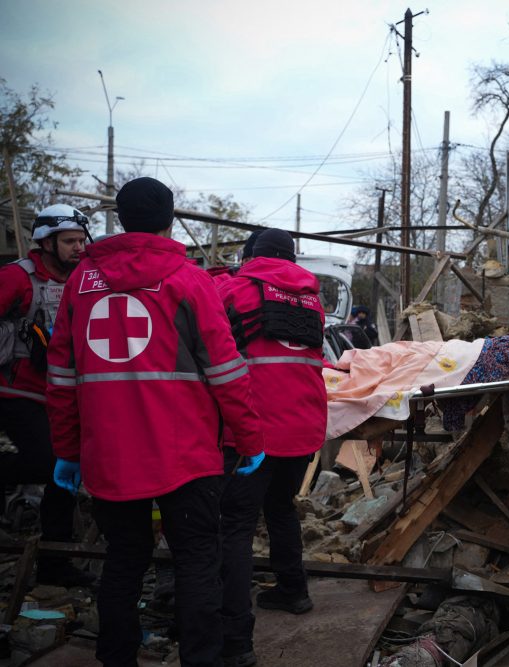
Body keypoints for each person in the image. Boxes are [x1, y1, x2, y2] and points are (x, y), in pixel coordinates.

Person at [46, 177, 266, 666]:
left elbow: (60, 376)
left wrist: (67, 450)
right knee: (196, 562)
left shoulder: (80, 283)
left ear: (120, 220)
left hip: (109, 455)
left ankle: (116, 658)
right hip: (186, 455)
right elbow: (227, 372)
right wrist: (250, 440)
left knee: (124, 559)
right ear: (170, 221)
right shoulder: (189, 280)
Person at [216, 228, 327, 666]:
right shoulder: (312, 298)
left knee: (235, 526)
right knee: (281, 508)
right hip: (304, 427)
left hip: (253, 431)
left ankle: (236, 641)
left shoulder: (234, 289)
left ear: (250, 255)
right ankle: (293, 590)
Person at [0, 205, 94, 586]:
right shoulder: (17, 278)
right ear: (46, 242)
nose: (78, 248)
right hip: (14, 389)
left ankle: (55, 563)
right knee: (47, 463)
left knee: (64, 472)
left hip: (58, 392)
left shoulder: (83, 280)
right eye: (70, 241)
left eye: (81, 240)